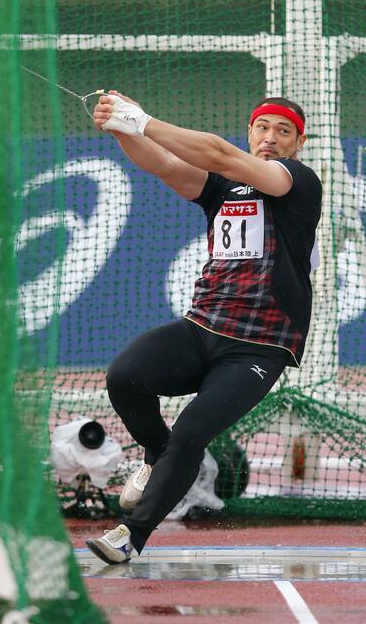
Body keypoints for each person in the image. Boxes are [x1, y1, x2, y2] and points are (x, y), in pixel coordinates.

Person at [85, 92, 322, 565]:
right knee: (125, 375)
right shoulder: (225, 189)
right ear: (251, 130)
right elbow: (166, 166)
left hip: (258, 348)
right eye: (262, 128)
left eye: (283, 131)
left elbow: (217, 152)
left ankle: (130, 535)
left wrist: (144, 119)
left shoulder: (297, 180)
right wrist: (121, 129)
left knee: (192, 433)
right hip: (203, 327)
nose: (270, 138)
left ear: (297, 142)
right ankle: (155, 454)